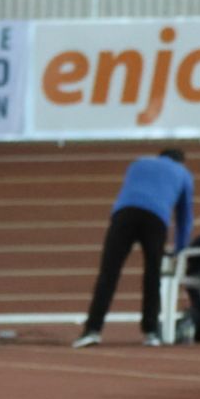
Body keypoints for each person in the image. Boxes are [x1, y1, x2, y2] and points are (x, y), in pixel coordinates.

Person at [72, 148, 193, 348]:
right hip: (156, 219)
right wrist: (179, 249)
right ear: (181, 161)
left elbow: (130, 190)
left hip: (124, 215)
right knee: (152, 276)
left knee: (108, 274)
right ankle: (151, 332)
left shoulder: (138, 163)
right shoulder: (183, 174)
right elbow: (184, 217)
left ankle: (92, 330)